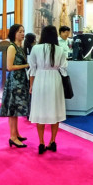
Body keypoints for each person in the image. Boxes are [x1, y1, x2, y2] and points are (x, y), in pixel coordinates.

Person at [28, 25, 68, 155]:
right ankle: (53, 141)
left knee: (40, 111)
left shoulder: (36, 48)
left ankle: (41, 143)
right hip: (55, 80)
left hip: (40, 80)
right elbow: (64, 69)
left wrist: (31, 85)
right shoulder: (60, 49)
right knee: (55, 111)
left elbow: (32, 69)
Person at [0, 24, 30, 148]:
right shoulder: (12, 47)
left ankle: (16, 133)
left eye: (23, 31)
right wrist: (26, 65)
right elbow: (9, 67)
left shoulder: (19, 47)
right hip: (15, 82)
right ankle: (13, 136)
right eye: (20, 31)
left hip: (20, 81)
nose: (22, 33)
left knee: (15, 109)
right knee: (13, 109)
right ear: (14, 33)